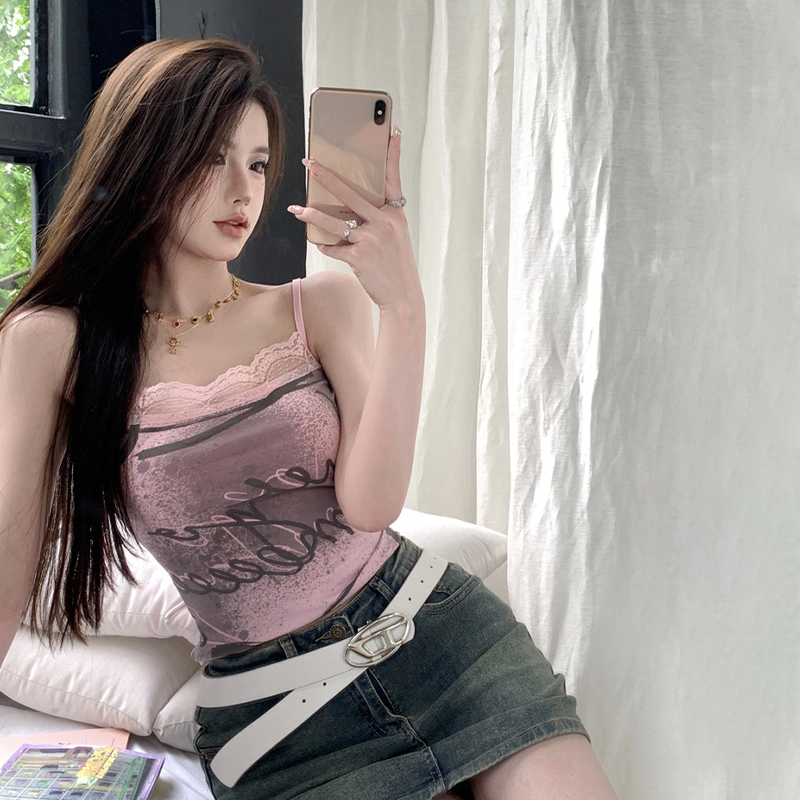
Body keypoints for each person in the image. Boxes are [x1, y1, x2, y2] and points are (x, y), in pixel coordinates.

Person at [0, 38, 618, 800]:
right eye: (213, 158)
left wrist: (403, 306)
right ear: (144, 157)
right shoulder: (51, 345)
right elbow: (8, 559)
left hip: (441, 640)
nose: (243, 190)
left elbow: (372, 506)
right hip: (278, 723)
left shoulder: (318, 304)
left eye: (258, 164)